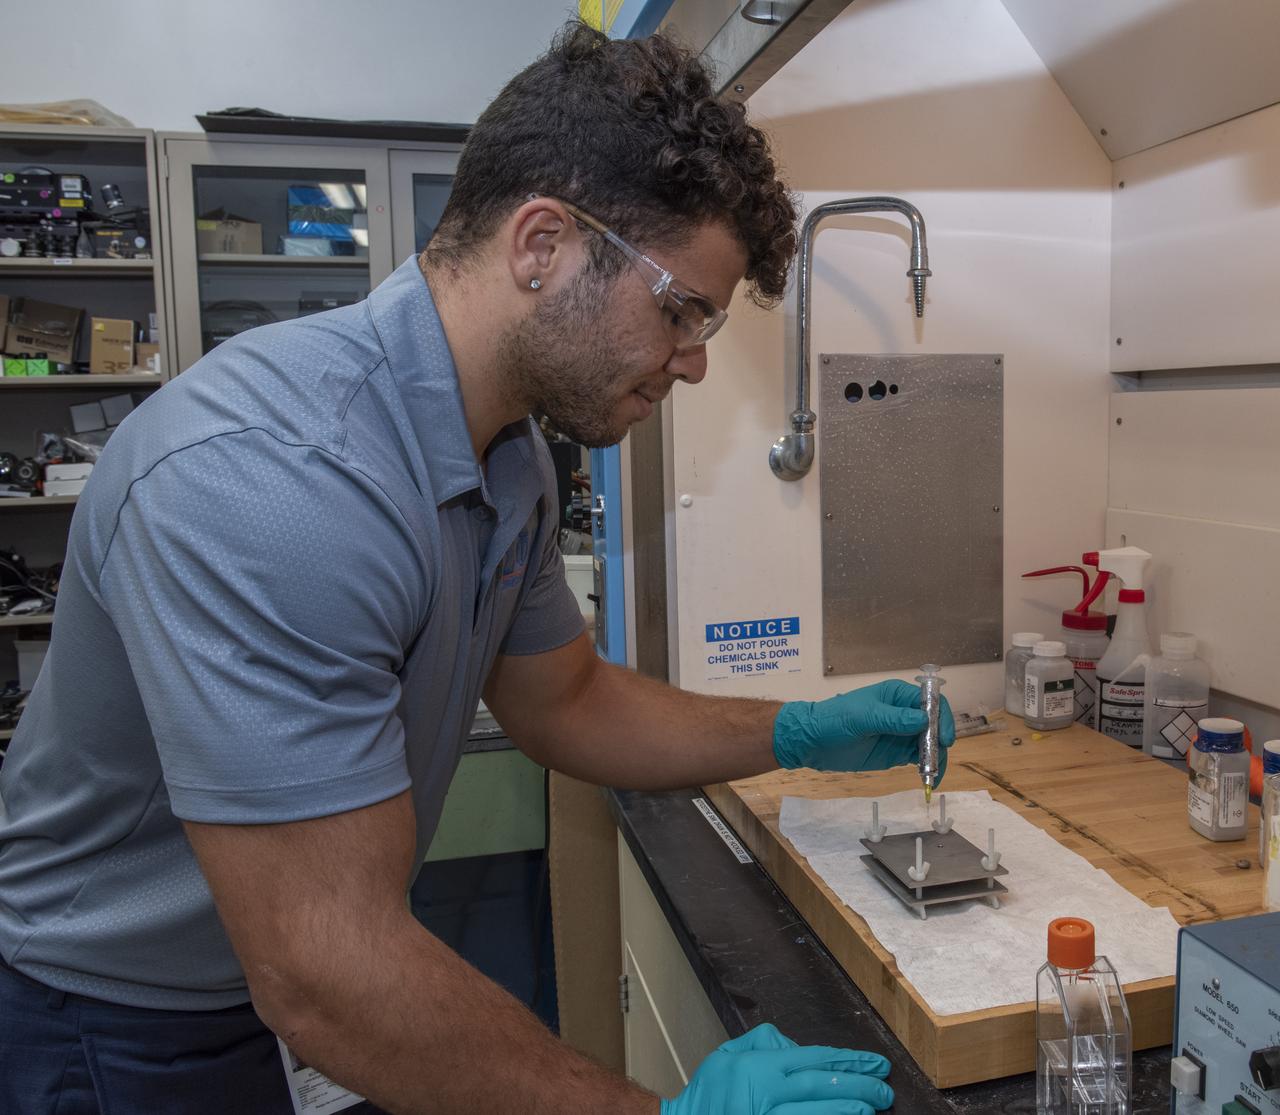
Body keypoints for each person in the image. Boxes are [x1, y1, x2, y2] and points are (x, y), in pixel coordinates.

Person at [0, 22, 955, 1115]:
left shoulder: (508, 459)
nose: (690, 360)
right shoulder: (272, 482)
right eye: (680, 310)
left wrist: (793, 730)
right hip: (118, 1020)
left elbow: (569, 701)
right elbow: (326, 971)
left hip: (276, 989)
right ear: (540, 244)